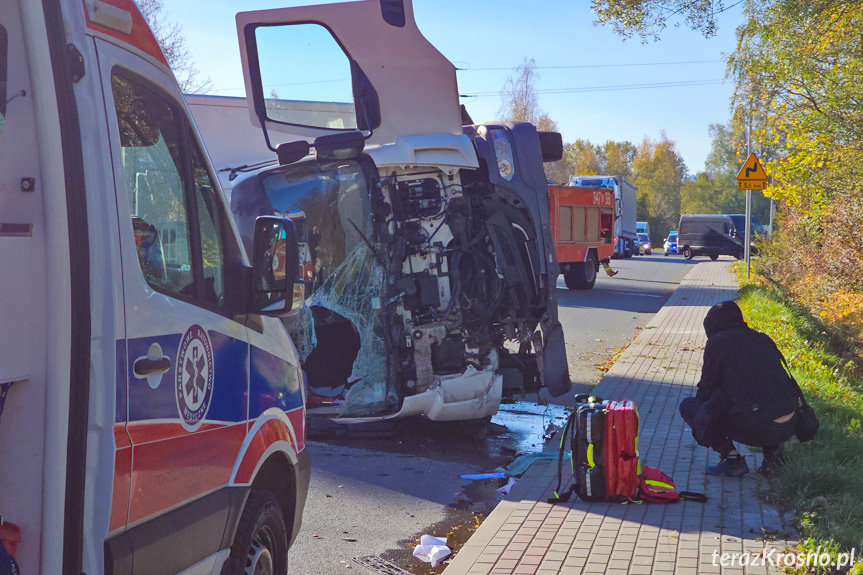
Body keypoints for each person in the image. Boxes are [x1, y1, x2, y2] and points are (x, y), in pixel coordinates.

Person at [679, 300, 799, 476]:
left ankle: (732, 459)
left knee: (692, 406)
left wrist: (706, 412)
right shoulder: (762, 339)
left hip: (757, 428)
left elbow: (706, 388)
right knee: (763, 397)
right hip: (790, 424)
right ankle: (772, 458)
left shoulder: (717, 343)